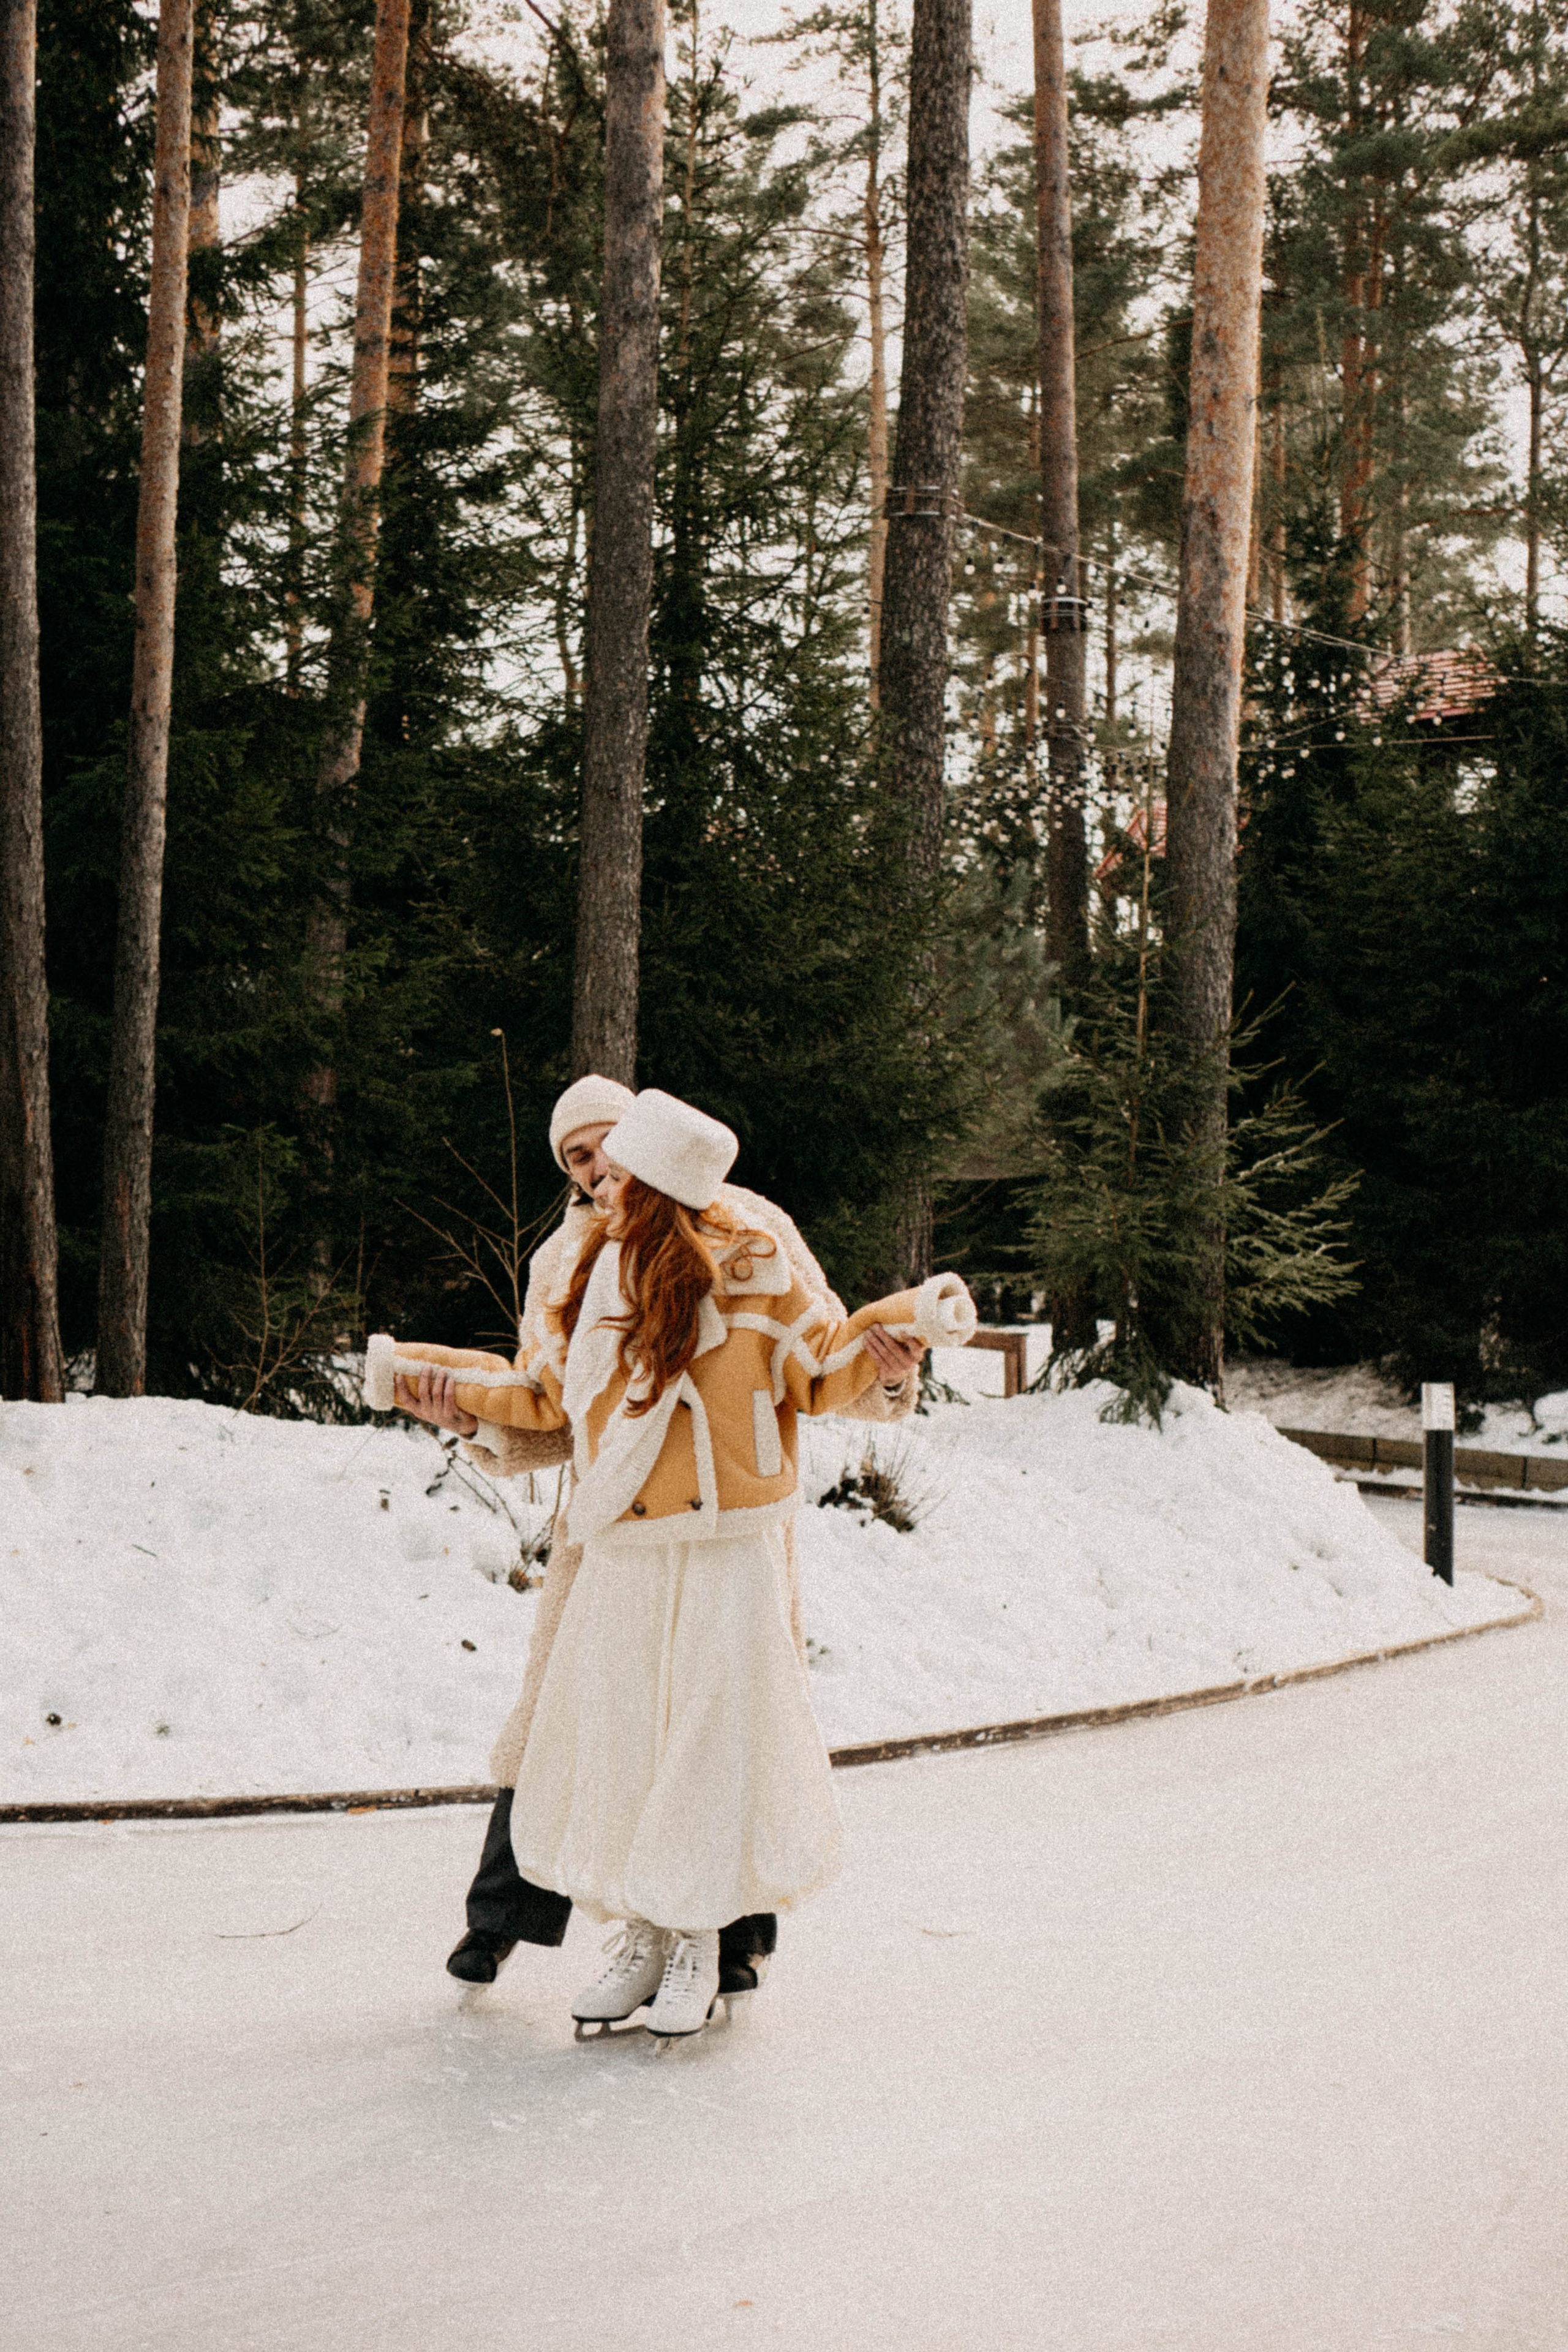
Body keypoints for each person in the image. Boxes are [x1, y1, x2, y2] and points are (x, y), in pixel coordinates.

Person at [369, 1088, 975, 2041]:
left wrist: (897, 1352)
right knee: (611, 1732)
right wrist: (462, 1410)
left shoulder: (751, 1230)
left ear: (644, 1138)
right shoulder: (567, 1264)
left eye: (603, 1146)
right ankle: (607, 1926)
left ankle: (716, 1939)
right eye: (573, 1158)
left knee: (714, 1729)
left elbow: (820, 1360)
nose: (592, 1168)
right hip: (611, 1530)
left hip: (729, 1522)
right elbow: (554, 1409)